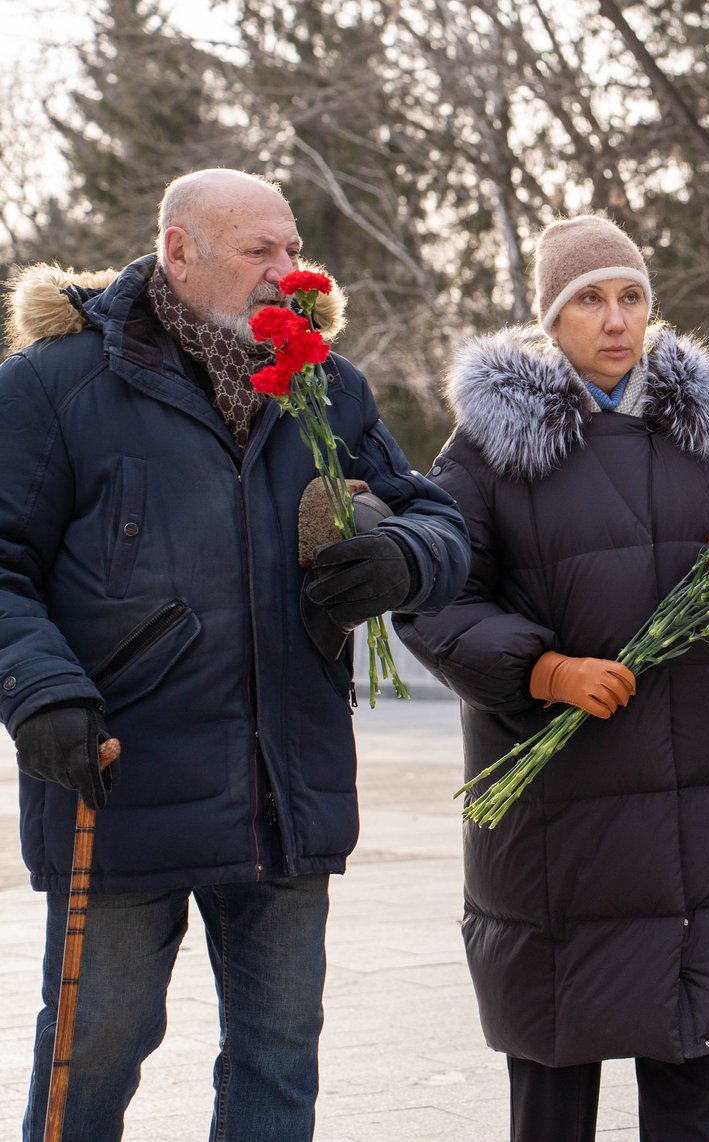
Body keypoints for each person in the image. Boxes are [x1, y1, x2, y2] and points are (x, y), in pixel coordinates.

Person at [0, 168, 469, 1141]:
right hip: (119, 784)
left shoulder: (325, 385)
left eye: (293, 248)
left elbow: (440, 521)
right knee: (92, 1057)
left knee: (278, 1060)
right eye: (260, 250)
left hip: (285, 788)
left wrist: (399, 557)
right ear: (181, 251)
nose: (288, 271)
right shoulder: (55, 383)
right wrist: (37, 689)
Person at [396, 214, 709, 1142]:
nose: (617, 319)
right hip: (561, 817)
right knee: (556, 1082)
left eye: (632, 297)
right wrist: (544, 670)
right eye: (589, 299)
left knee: (691, 1067)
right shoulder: (485, 453)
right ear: (550, 320)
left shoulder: (702, 444)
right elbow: (434, 602)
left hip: (696, 808)